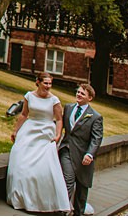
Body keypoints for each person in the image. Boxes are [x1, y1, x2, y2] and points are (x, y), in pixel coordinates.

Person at [6, 72, 71, 213]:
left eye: (50, 83)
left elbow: (59, 119)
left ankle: (42, 202)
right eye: (45, 83)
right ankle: (21, 198)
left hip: (46, 132)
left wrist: (58, 134)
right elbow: (24, 114)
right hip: (29, 130)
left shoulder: (54, 100)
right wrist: (16, 131)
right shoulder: (29, 96)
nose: (48, 86)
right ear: (38, 82)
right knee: (20, 163)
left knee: (42, 169)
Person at [59, 82, 104, 216]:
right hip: (66, 150)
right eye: (78, 92)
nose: (78, 94)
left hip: (83, 155)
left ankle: (78, 213)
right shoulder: (68, 108)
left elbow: (96, 138)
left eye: (82, 93)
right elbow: (59, 124)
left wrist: (90, 154)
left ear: (89, 98)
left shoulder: (95, 117)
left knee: (82, 188)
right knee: (68, 180)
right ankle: (61, 212)